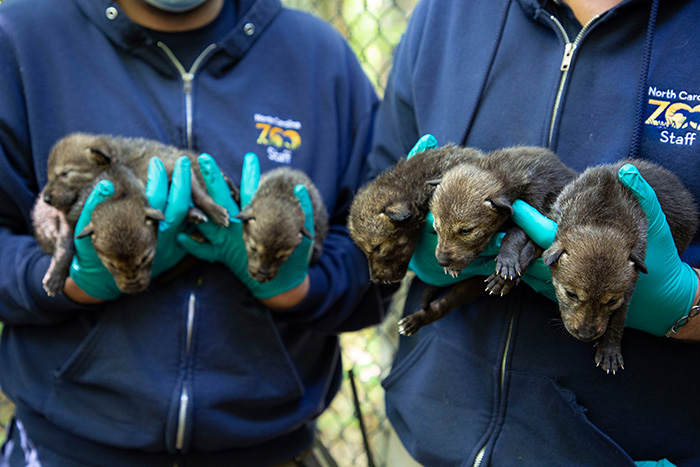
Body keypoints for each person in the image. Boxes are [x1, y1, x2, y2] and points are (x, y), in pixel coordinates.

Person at [0, 0, 385, 465]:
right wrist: (71, 283)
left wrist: (301, 288)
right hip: (66, 446)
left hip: (268, 450)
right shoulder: (20, 37)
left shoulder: (320, 57)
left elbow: (376, 249)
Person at [370, 0, 700, 465]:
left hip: (617, 452)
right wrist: (401, 242)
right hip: (424, 431)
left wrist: (691, 306)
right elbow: (364, 213)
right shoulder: (446, 12)